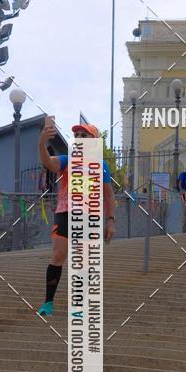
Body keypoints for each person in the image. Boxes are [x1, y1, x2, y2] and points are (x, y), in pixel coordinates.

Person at [37, 121, 116, 317]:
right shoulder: (68, 159)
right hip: (65, 212)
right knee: (58, 256)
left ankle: (79, 306)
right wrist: (41, 143)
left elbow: (109, 195)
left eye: (84, 135)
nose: (79, 138)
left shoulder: (101, 165)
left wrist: (111, 220)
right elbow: (49, 163)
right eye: (77, 136)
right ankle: (48, 303)